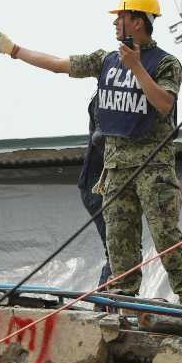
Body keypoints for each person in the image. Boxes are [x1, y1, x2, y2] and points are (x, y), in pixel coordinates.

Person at [0, 0, 182, 306]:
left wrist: (136, 67)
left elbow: (164, 104)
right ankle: (123, 304)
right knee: (119, 240)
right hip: (116, 168)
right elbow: (58, 65)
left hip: (154, 168)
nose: (115, 25)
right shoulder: (106, 60)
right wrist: (13, 49)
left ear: (137, 21)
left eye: (119, 18)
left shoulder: (165, 63)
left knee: (166, 236)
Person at [79, 94, 112, 288]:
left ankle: (106, 303)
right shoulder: (105, 96)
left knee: (122, 250)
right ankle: (105, 305)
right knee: (118, 251)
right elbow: (100, 138)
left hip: (107, 184)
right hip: (98, 186)